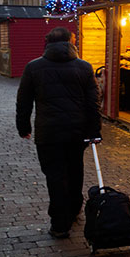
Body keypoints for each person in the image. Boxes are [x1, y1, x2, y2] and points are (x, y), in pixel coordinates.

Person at [16, 27, 101, 239]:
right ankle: (73, 210)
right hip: (77, 131)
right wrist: (94, 130)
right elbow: (93, 103)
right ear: (71, 43)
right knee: (74, 171)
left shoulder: (33, 67)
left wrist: (23, 127)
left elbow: (24, 101)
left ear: (47, 43)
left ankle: (59, 224)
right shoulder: (84, 67)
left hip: (48, 133)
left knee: (55, 176)